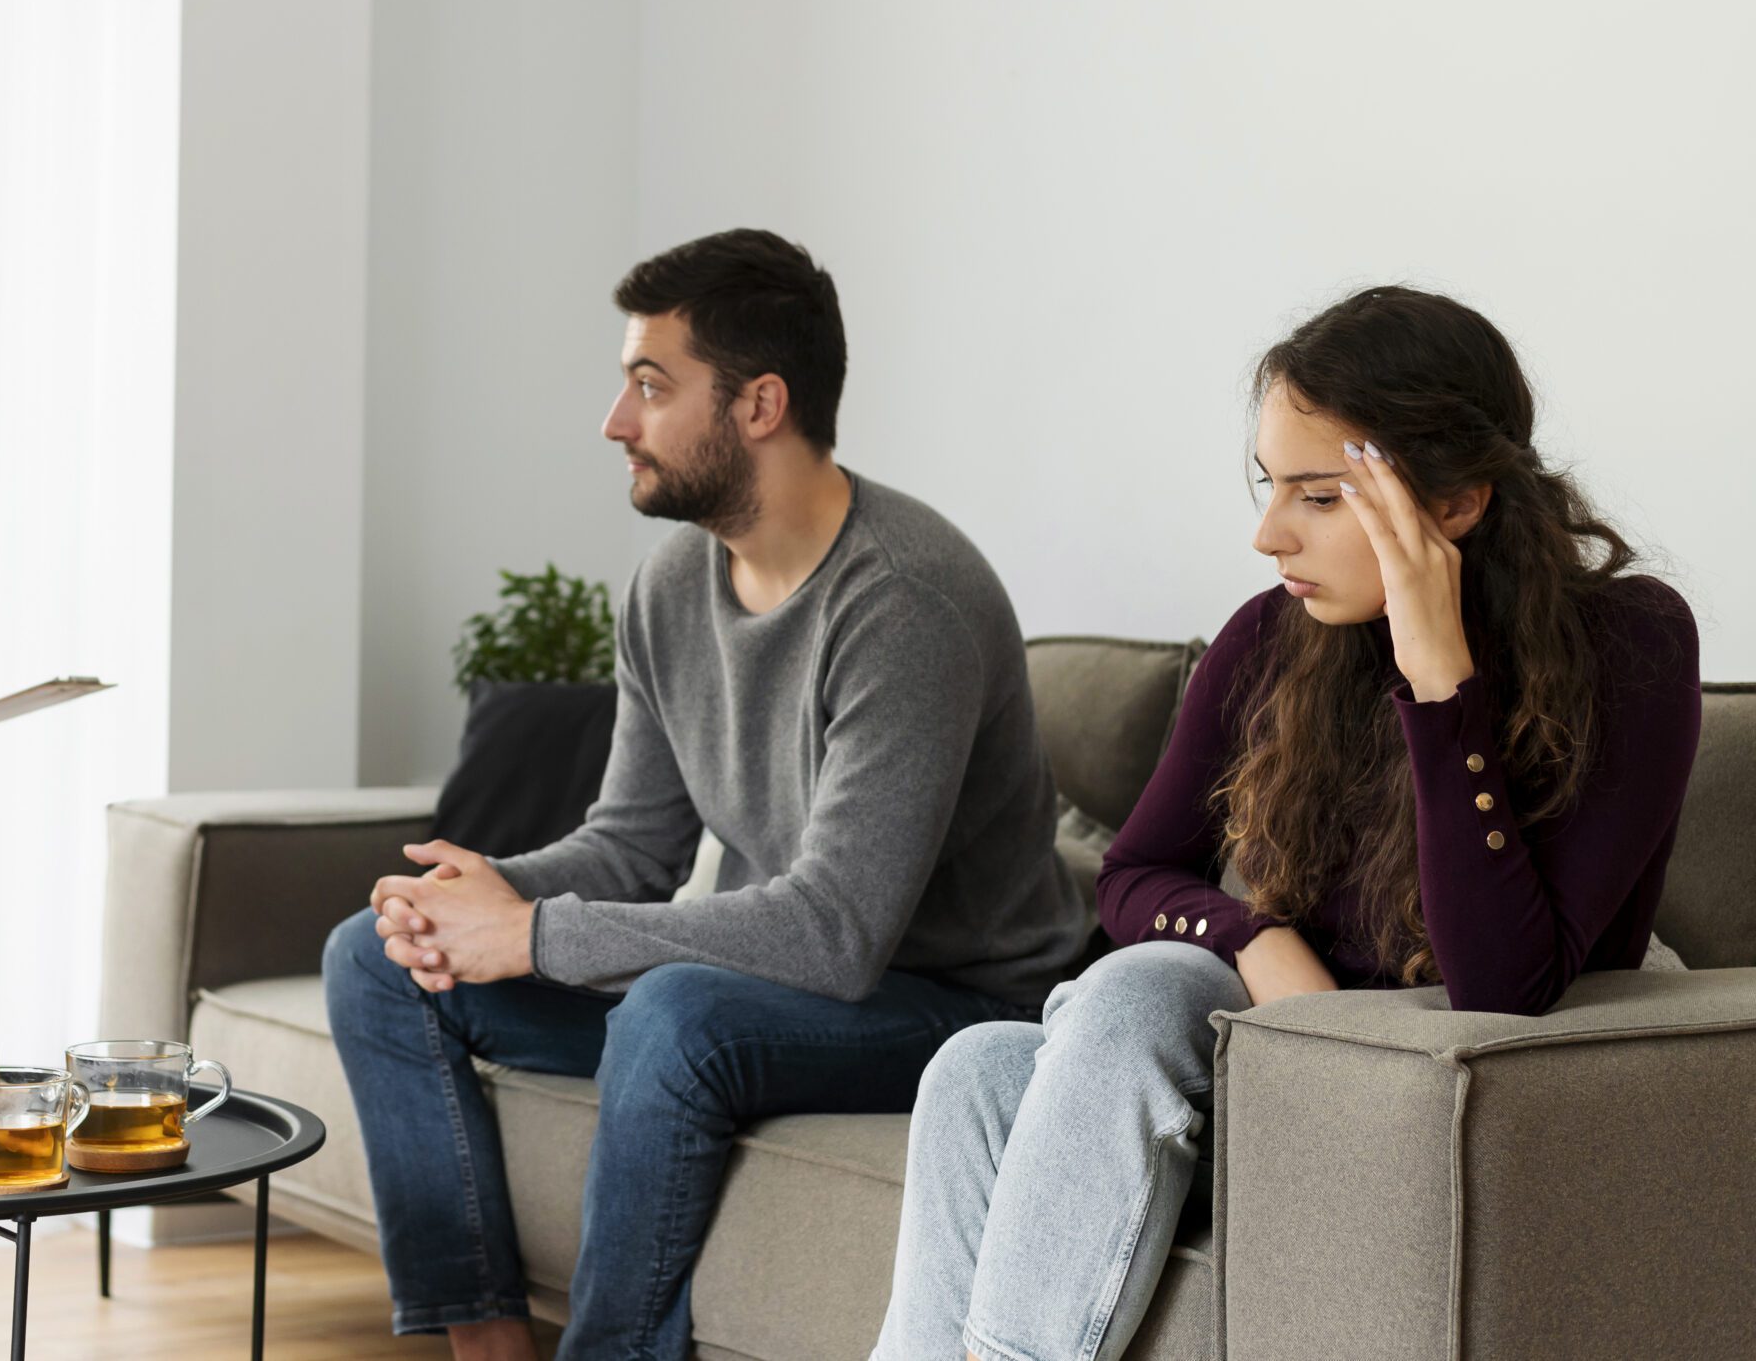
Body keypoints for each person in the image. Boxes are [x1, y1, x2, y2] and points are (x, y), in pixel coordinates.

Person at [873, 285, 1702, 1361]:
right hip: (1283, 1063)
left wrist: (1437, 678)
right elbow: (1130, 874)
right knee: (976, 1065)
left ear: (1452, 503)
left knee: (1135, 986)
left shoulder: (1629, 643)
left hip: (1439, 1094)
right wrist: (1258, 940)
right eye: (1272, 487)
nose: (1267, 534)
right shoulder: (1273, 636)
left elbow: (1506, 980)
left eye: (1317, 496)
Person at [325, 229, 1093, 1361]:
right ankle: (487, 1343)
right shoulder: (672, 581)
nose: (615, 420)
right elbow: (633, 843)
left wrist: (534, 933)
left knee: (677, 1011)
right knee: (372, 956)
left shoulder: (906, 599)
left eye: (649, 383)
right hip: (787, 982)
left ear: (759, 403)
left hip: (955, 998)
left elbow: (836, 932)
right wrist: (491, 895)